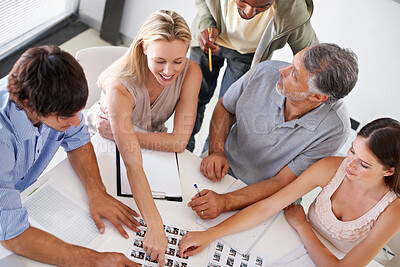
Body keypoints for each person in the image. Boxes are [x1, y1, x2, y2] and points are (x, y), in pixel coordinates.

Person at [179, 117, 400, 266]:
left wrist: (302, 225)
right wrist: (210, 234)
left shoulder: (393, 210)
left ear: (388, 171)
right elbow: (268, 206)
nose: (349, 164)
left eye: (364, 164)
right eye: (352, 150)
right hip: (287, 239)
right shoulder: (332, 167)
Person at [0, 45, 140, 266]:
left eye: (78, 112)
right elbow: (12, 235)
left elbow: (78, 140)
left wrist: (97, 191)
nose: (77, 122)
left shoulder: (53, 98)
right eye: (66, 116)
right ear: (28, 104)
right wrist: (94, 261)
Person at [188, 43, 359, 220]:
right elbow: (224, 107)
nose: (282, 70)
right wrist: (217, 151)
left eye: (294, 73)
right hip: (221, 169)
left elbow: (282, 182)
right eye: (292, 64)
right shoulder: (264, 72)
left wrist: (225, 202)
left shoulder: (335, 130)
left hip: (267, 198)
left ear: (317, 97)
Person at [186, 0, 318, 152]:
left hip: (248, 56)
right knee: (193, 98)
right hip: (206, 42)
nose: (249, 12)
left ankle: (210, 157)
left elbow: (311, 54)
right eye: (243, 1)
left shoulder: (293, 9)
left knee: (229, 107)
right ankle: (181, 149)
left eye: (263, 6)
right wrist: (206, 22)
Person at [86, 10, 202, 153]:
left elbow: (178, 143)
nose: (168, 71)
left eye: (178, 61)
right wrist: (122, 135)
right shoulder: (121, 85)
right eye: (160, 61)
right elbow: (116, 141)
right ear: (144, 47)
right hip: (104, 135)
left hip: (137, 138)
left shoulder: (191, 72)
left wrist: (123, 134)